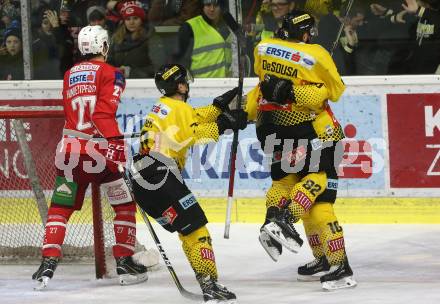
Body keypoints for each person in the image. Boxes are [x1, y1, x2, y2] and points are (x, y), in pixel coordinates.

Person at [244, 9, 357, 290]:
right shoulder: (316, 54)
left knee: (307, 199)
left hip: (282, 132)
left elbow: (262, 85)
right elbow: (336, 90)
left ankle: (333, 261)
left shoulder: (263, 48)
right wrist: (309, 82)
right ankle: (328, 260)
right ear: (306, 33)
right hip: (316, 131)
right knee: (318, 206)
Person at [31, 25, 148, 289]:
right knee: (124, 204)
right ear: (104, 46)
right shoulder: (113, 73)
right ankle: (124, 261)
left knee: (60, 208)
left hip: (70, 152)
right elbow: (101, 115)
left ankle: (48, 263)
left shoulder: (69, 74)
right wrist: (117, 145)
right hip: (99, 153)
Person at [130, 63, 247, 302]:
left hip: (143, 183)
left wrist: (218, 107)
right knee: (196, 229)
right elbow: (190, 135)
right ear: (180, 85)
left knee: (187, 230)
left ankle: (207, 282)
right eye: (185, 81)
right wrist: (224, 123)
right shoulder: (178, 109)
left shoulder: (164, 106)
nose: (188, 84)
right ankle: (210, 284)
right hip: (161, 177)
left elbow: (193, 118)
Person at [173, 0, 232, 78]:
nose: (212, 9)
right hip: (201, 86)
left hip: (227, 84)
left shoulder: (229, 26)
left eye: (216, 5)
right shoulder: (189, 27)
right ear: (202, 6)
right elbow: (178, 61)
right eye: (208, 5)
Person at [108, 1, 154, 78]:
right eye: (128, 19)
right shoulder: (116, 38)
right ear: (124, 21)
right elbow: (108, 61)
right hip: (117, 83)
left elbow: (156, 67)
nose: (131, 22)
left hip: (142, 85)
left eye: (135, 18)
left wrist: (129, 72)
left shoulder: (149, 39)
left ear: (141, 20)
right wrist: (113, 70)